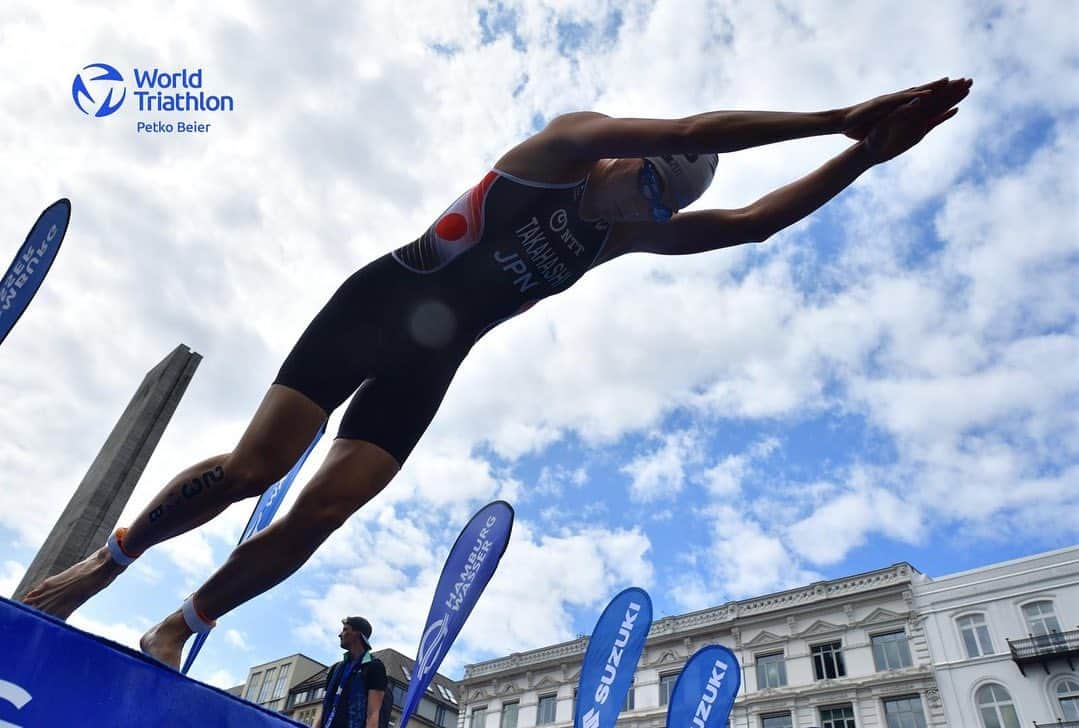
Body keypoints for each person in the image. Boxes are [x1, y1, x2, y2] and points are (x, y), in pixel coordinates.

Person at [22, 77, 973, 667]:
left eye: (653, 201)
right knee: (252, 472)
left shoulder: (614, 237)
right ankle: (102, 566)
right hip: (375, 309)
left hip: (430, 362)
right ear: (623, 155)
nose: (638, 203)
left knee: (321, 513)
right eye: (642, 179)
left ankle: (183, 623)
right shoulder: (559, 154)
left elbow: (750, 223)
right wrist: (836, 115)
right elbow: (690, 131)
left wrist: (862, 157)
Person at [320, 617, 389, 728]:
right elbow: (324, 710)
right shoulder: (336, 669)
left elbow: (373, 714)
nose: (340, 634)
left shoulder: (374, 667)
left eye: (345, 630)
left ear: (358, 634)